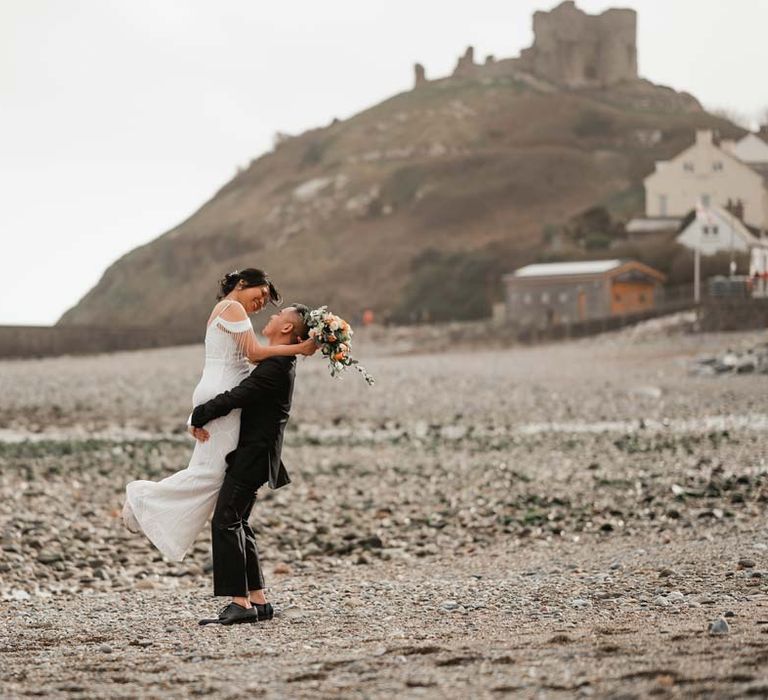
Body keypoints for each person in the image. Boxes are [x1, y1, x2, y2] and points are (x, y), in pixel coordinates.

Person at [121, 269, 316, 562]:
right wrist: (300, 348)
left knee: (209, 470)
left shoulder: (231, 310)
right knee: (211, 474)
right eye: (260, 293)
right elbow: (251, 353)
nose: (262, 302)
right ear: (241, 284)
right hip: (222, 390)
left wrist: (196, 416)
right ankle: (143, 500)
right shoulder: (232, 307)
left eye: (267, 300)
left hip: (217, 389)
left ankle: (149, 507)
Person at [192, 305, 309, 625]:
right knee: (238, 520)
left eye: (278, 316)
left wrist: (199, 414)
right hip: (258, 454)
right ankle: (258, 599)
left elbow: (237, 395)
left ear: (286, 329)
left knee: (225, 521)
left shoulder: (277, 366)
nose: (270, 317)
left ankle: (240, 603)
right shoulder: (281, 361)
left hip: (254, 455)